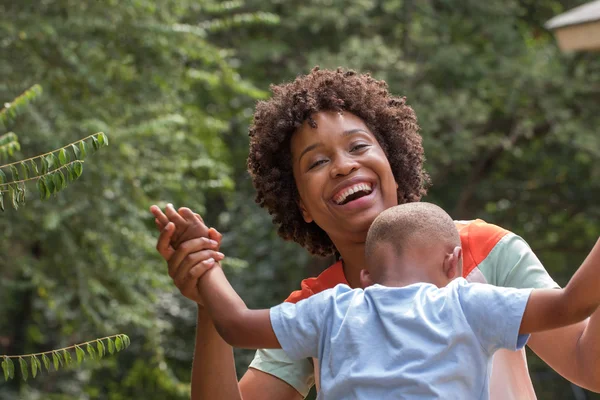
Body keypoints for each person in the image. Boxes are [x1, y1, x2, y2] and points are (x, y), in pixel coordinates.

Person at [150, 67, 600, 400]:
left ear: (393, 161)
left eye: (358, 146)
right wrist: (205, 289)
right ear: (300, 204)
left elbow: (588, 361)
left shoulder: (483, 248)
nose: (344, 165)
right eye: (317, 161)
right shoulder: (317, 307)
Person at [178, 202, 600, 399]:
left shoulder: (329, 308)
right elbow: (571, 305)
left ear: (366, 277)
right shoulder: (469, 303)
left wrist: (206, 267)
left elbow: (232, 324)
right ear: (454, 264)